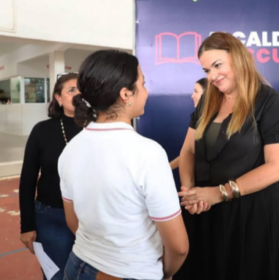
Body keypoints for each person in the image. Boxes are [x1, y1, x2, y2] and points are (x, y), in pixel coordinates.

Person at [59, 50, 188, 280]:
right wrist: (164, 273)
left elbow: (72, 221)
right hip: (131, 271)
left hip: (77, 265)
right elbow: (178, 247)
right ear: (126, 94)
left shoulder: (70, 149)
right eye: (144, 84)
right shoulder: (148, 153)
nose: (147, 92)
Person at [176, 32, 279, 280]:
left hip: (252, 214)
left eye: (218, 65)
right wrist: (190, 192)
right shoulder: (208, 99)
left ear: (238, 57)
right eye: (207, 70)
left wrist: (218, 193)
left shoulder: (268, 100)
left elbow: (277, 167)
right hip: (205, 209)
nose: (213, 76)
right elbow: (188, 150)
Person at [19, 73, 82, 280]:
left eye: (82, 89)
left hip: (91, 216)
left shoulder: (97, 128)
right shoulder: (42, 130)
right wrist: (27, 225)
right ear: (58, 97)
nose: (78, 94)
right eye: (71, 90)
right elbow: (27, 179)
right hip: (52, 215)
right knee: (57, 275)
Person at [170, 78, 208, 169]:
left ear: (207, 94)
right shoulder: (197, 118)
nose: (192, 96)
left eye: (196, 91)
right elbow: (188, 153)